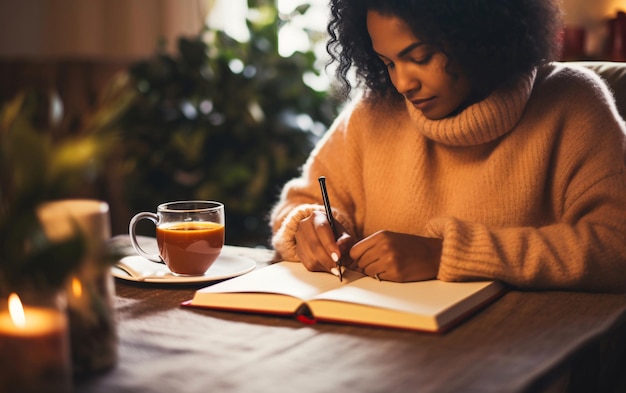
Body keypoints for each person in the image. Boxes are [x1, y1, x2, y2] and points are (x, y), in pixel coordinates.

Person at [269, 0, 626, 292]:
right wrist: (311, 226)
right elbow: (301, 204)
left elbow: (616, 245)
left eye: (420, 57)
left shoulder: (573, 104)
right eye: (388, 63)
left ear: (476, 35)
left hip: (515, 355)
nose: (402, 82)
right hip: (380, 349)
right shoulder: (374, 110)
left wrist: (446, 255)